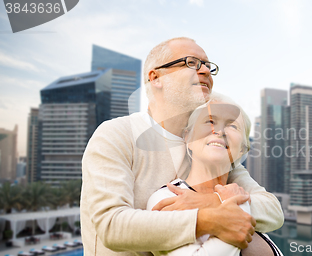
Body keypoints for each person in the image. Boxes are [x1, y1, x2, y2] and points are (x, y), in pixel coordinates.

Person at [80, 37, 284, 255]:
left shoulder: (210, 149)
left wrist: (212, 201)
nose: (205, 70)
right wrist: (207, 219)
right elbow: (112, 226)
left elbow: (272, 210)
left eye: (208, 65)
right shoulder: (117, 134)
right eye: (191, 63)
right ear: (156, 77)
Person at [147, 96, 283, 256]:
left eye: (233, 126)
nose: (220, 131)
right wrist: (237, 206)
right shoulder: (168, 198)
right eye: (210, 122)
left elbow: (275, 212)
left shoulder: (241, 195)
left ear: (242, 150)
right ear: (188, 138)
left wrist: (223, 201)